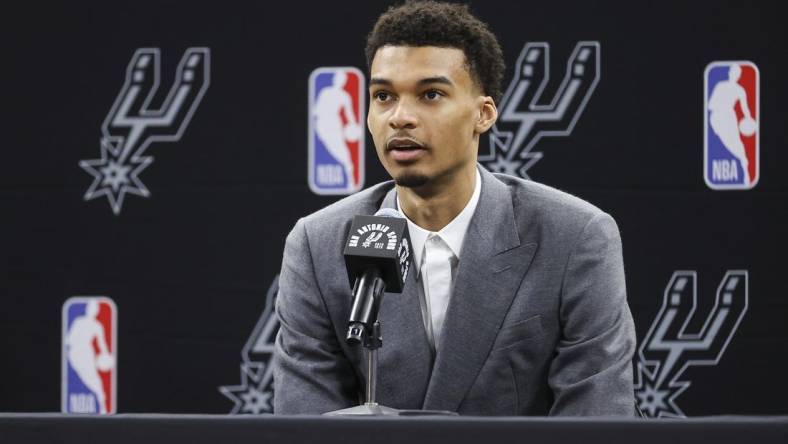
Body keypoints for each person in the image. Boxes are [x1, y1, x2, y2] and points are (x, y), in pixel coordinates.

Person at [273, 0, 636, 416]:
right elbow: (303, 422)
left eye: (430, 94)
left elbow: (597, 416)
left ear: (483, 114)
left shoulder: (575, 236)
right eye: (383, 96)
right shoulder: (318, 244)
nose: (400, 117)